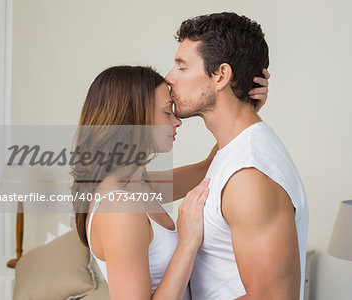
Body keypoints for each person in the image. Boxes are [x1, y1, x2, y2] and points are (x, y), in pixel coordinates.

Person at [71, 65, 269, 299]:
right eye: (167, 112)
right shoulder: (119, 210)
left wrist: (244, 110)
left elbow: (207, 168)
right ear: (132, 120)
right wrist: (187, 243)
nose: (177, 122)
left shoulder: (138, 185)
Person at [165, 12, 309, 299]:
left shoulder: (249, 175)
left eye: (181, 67)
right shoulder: (233, 152)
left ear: (221, 75)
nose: (169, 77)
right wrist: (244, 108)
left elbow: (273, 298)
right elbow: (197, 171)